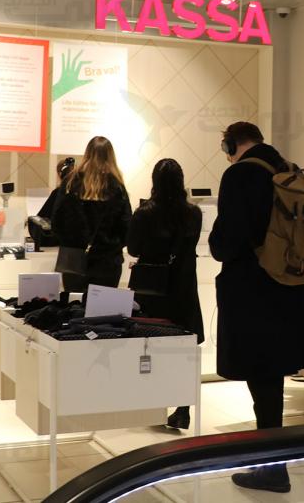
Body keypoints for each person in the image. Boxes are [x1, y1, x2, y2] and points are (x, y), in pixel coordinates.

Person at [211, 121, 304, 494]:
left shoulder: (240, 174)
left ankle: (273, 468)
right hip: (286, 285)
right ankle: (272, 461)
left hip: (254, 289)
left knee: (263, 381)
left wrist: (217, 243)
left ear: (232, 145)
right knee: (271, 381)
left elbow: (227, 239)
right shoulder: (287, 168)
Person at [127, 158, 204, 431]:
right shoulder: (194, 213)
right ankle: (182, 408)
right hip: (183, 286)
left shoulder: (144, 213)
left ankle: (152, 402)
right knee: (182, 349)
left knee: (150, 346)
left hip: (153, 289)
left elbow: (133, 249)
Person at [52, 136, 132, 290]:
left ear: (87, 153)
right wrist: (113, 245)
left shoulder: (70, 182)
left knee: (75, 302)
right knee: (103, 304)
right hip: (107, 261)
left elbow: (57, 221)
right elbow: (126, 225)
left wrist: (70, 242)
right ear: (110, 156)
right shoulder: (116, 186)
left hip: (74, 258)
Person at [28, 157, 75, 247]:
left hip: (58, 241)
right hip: (74, 242)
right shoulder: (80, 193)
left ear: (59, 174)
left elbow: (43, 217)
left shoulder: (58, 193)